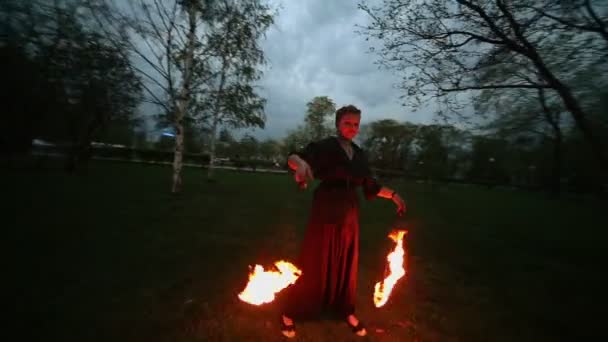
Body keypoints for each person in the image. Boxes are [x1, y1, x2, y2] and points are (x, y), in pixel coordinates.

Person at [279, 105, 406, 338]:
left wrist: (394, 195)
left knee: (346, 264)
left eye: (356, 124)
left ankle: (345, 310)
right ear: (338, 123)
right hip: (327, 207)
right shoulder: (325, 147)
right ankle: (291, 311)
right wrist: (302, 165)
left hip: (349, 211)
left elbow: (370, 185)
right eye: (348, 123)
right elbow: (293, 158)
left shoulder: (359, 154)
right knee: (316, 261)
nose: (352, 128)